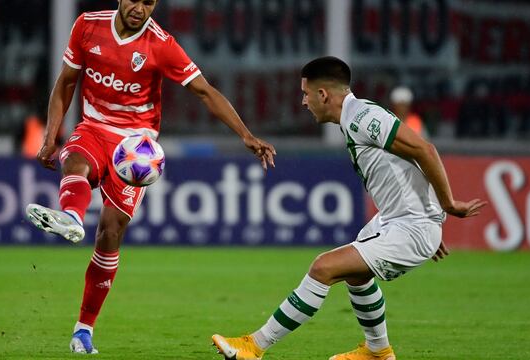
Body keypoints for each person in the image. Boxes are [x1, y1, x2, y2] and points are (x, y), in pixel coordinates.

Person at [25, 0, 276, 354]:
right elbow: (66, 82)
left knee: (110, 232)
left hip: (136, 147)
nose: (140, 8)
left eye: (149, 1)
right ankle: (71, 217)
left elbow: (204, 91)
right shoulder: (87, 26)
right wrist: (52, 135)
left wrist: (245, 135)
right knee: (76, 161)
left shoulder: (162, 45)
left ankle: (83, 330)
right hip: (94, 127)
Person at [212, 57, 486, 360]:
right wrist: (430, 216)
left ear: (323, 95)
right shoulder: (354, 118)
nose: (303, 102)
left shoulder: (363, 117)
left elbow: (425, 150)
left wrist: (443, 208)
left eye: (305, 94)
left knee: (323, 267)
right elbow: (410, 164)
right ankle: (377, 350)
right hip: (401, 221)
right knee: (356, 275)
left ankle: (254, 346)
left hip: (411, 225)